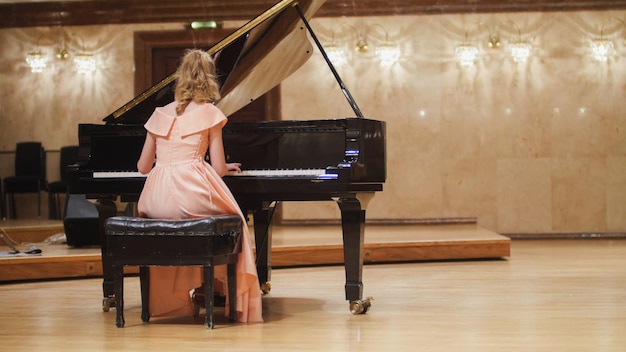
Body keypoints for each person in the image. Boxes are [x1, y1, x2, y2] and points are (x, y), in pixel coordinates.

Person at [136, 49, 263, 323]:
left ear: (180, 78)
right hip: (190, 190)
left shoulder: (159, 114)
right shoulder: (210, 113)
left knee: (174, 229)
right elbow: (218, 167)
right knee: (238, 222)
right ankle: (229, 296)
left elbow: (143, 168)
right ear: (209, 79)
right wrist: (227, 168)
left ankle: (176, 302)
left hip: (155, 199)